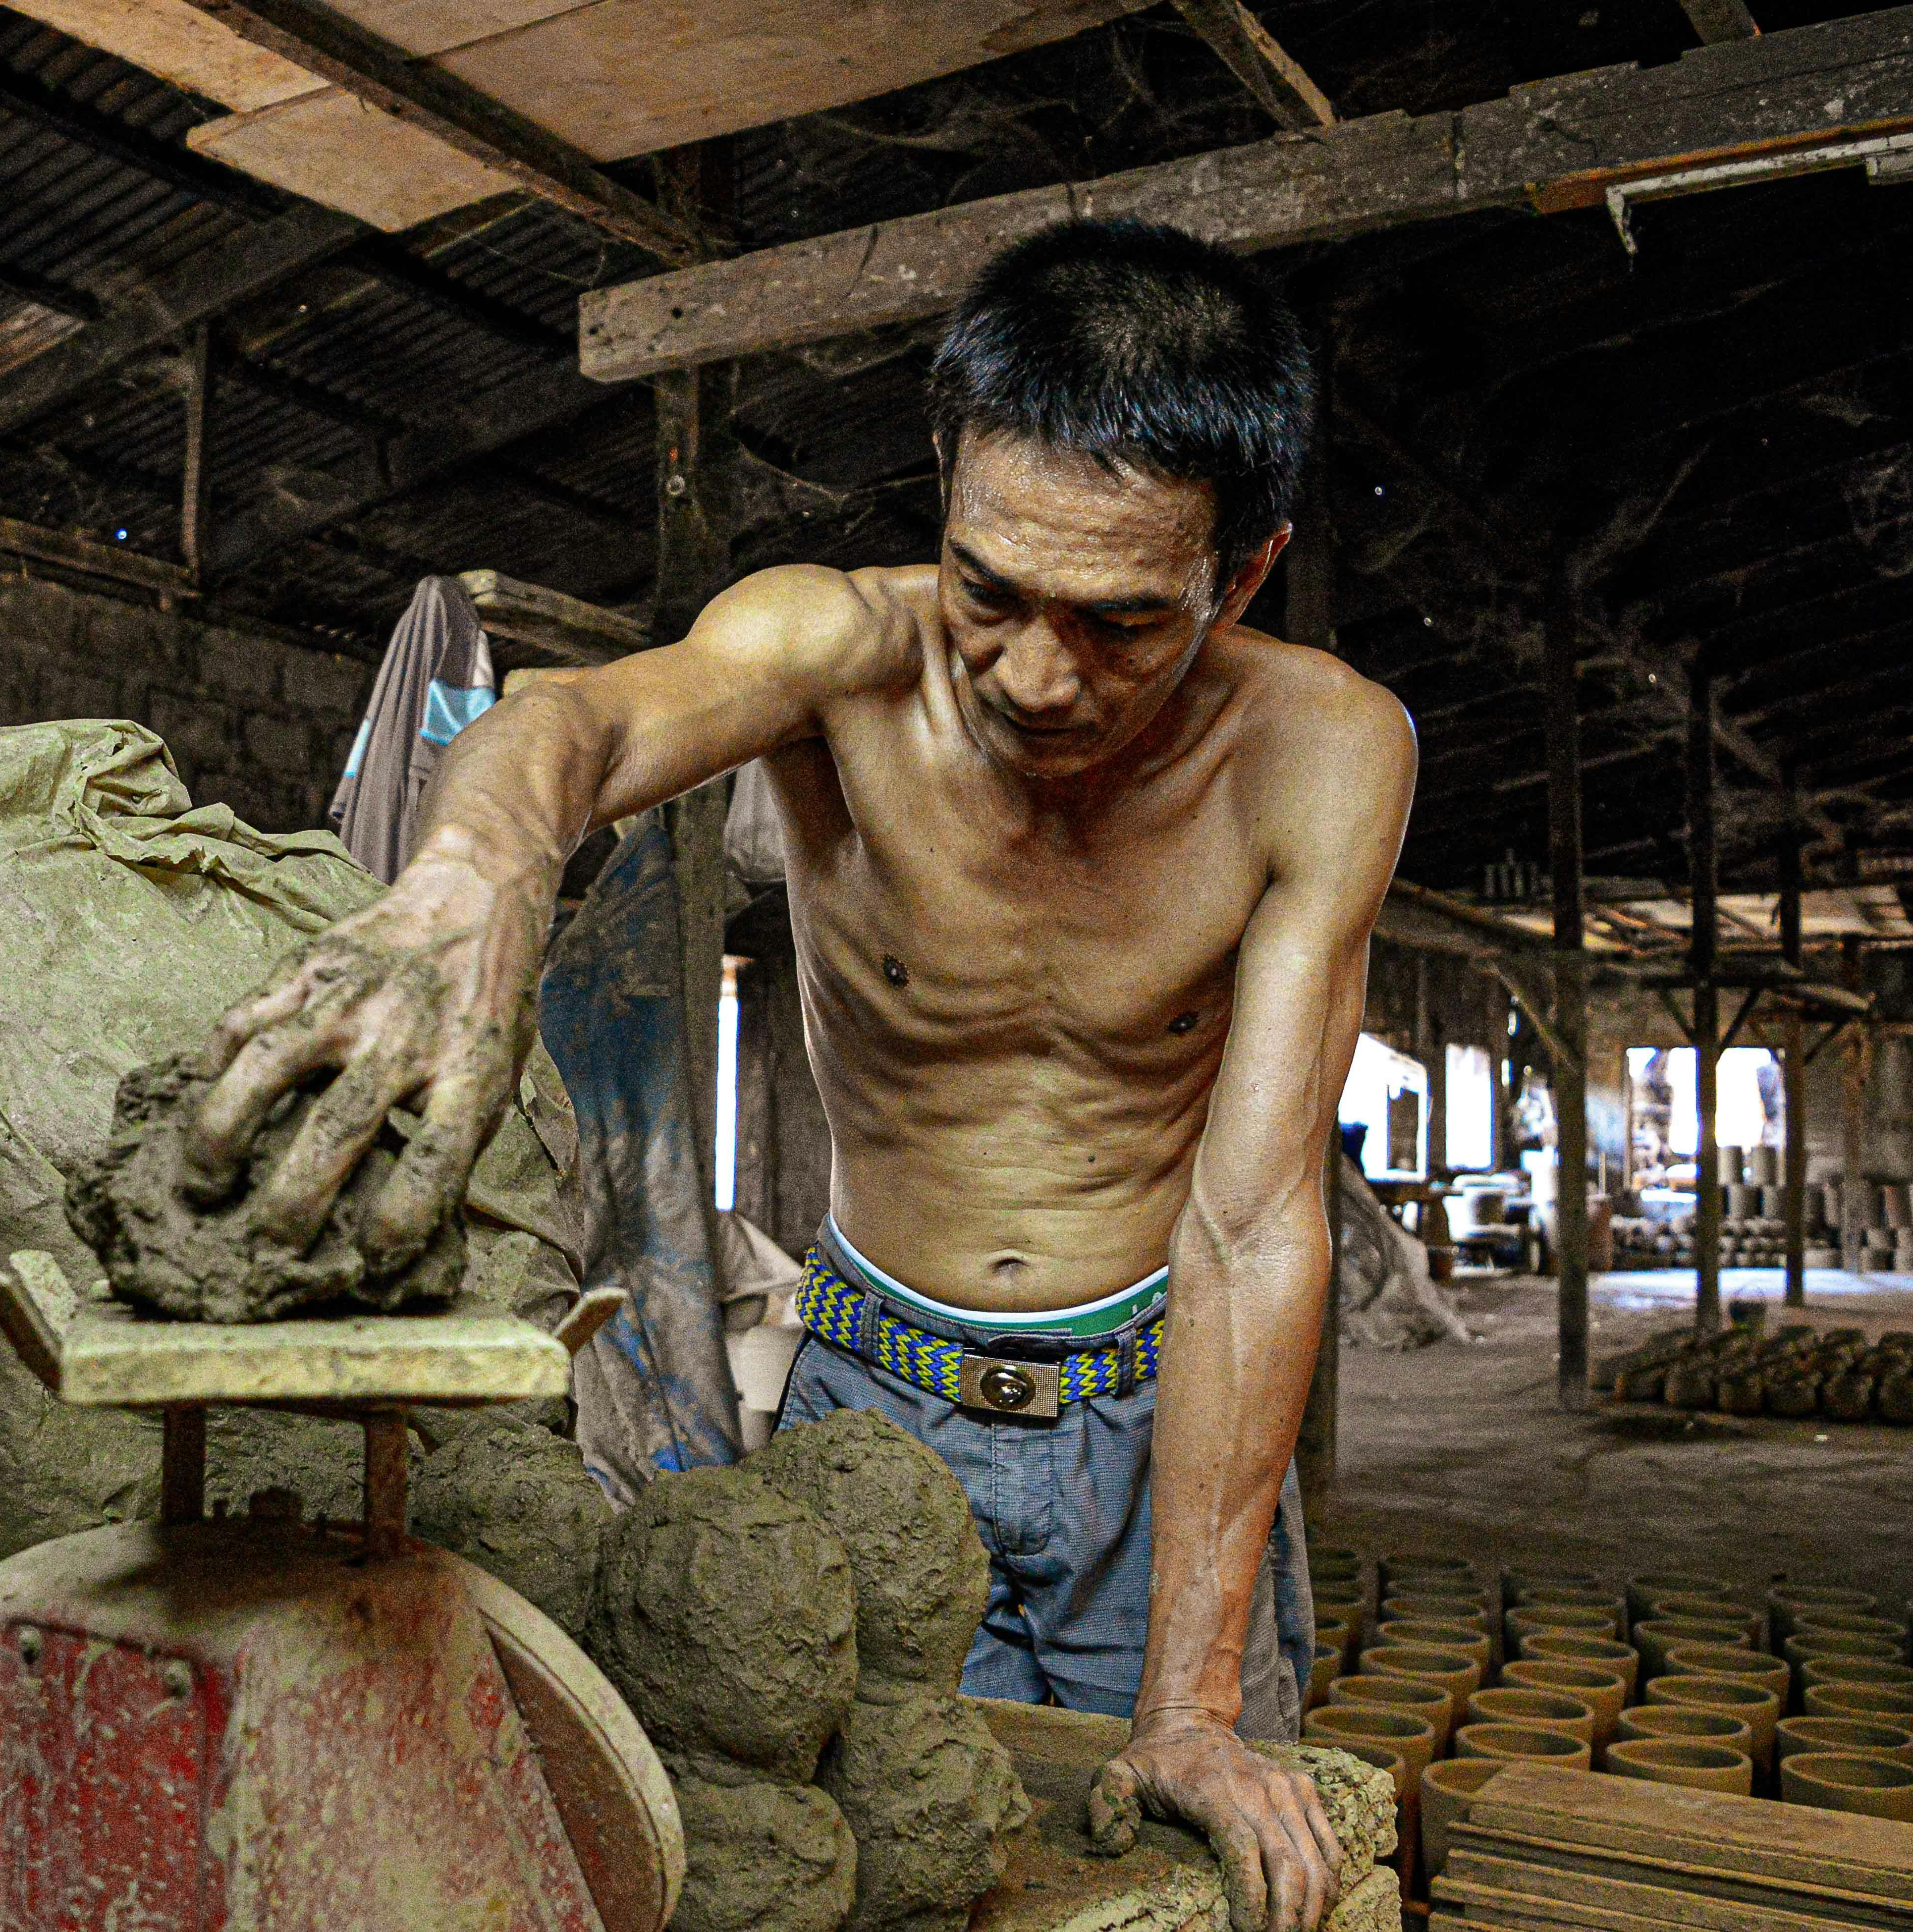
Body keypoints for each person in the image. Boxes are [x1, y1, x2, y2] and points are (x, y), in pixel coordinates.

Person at [179, 217, 1415, 1932]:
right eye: (991, 589)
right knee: (856, 1878)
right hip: (875, 1411)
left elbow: (1255, 1221)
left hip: (1164, 1433)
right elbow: (575, 724)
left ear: (1245, 571)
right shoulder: (836, 656)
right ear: (945, 488)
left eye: (1123, 622)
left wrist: (1195, 1700)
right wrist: (473, 877)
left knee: (1189, 1890)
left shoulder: (1321, 751)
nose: (1036, 676)